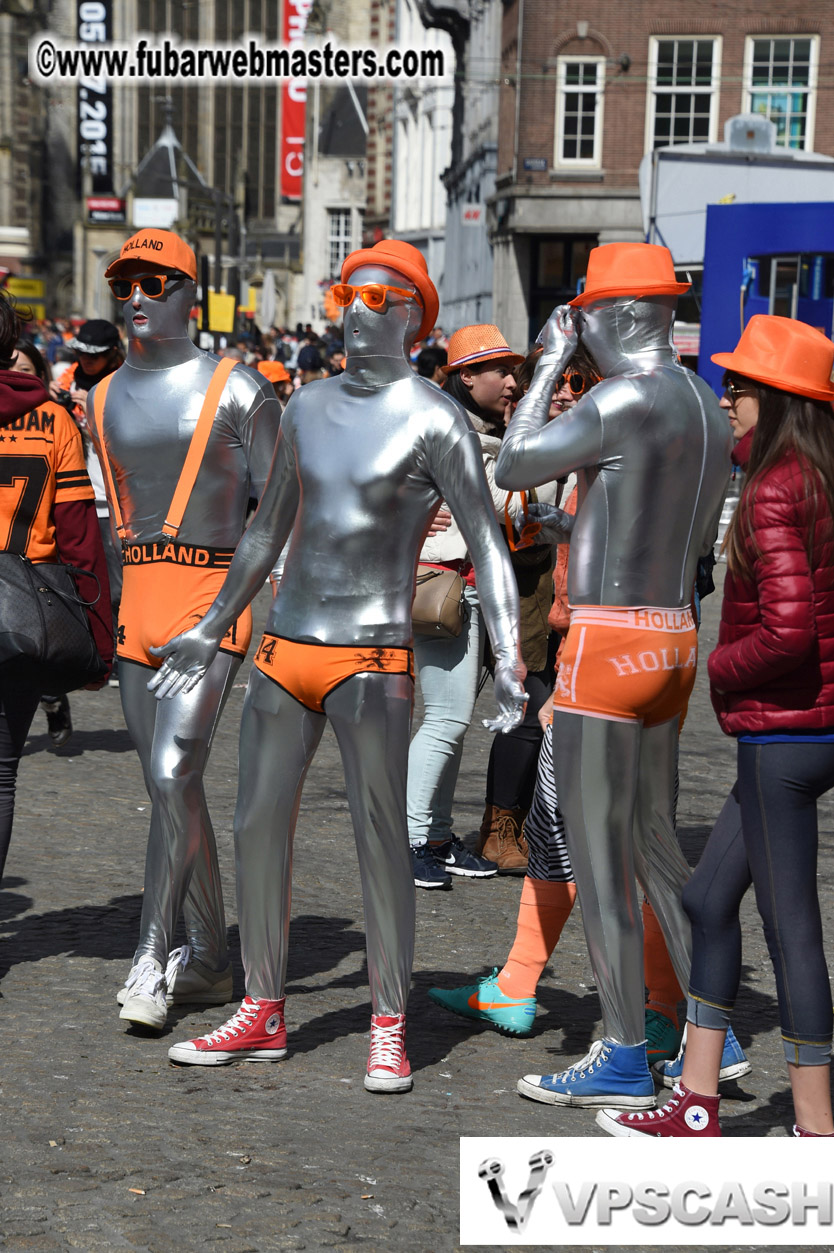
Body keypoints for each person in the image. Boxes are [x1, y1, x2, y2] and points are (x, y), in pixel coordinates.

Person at [149, 240, 526, 1091]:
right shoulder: (306, 406)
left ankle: (388, 1020)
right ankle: (262, 1004)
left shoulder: (434, 417)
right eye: (345, 293)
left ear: (412, 315)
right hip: (285, 647)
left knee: (382, 836)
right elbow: (265, 530)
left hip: (372, 655)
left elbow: (489, 545)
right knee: (255, 824)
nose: (354, 308)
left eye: (375, 296)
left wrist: (509, 656)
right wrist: (210, 626)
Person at [495, 242, 731, 1109]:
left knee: (601, 863)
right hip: (672, 636)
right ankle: (714, 1035)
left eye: (584, 314)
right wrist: (576, 531)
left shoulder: (622, 395)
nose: (578, 328)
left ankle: (626, 1051)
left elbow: (513, 462)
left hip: (608, 641)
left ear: (621, 314)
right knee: (658, 850)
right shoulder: (704, 404)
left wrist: (548, 359)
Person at [599, 315, 834, 1138]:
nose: (726, 399)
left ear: (780, 401)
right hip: (807, 728)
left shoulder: (774, 488)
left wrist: (720, 668)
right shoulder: (818, 478)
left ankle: (814, 1126)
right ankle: (696, 1098)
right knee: (705, 898)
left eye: (740, 388)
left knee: (791, 927)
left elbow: (789, 631)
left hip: (782, 733)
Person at [87, 228, 283, 1032]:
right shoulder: (100, 397)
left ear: (189, 293)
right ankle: (208, 957)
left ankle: (152, 954)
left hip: (212, 597)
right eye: (125, 282)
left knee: (172, 776)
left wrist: (233, 613)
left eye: (154, 281)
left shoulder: (242, 389)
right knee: (172, 787)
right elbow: (113, 520)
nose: (137, 296)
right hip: (140, 603)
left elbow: (279, 508)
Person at [0, 297, 112, 883]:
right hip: (21, 612)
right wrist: (99, 641)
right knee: (1, 773)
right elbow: (79, 541)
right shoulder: (54, 419)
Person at [408, 324, 524, 888]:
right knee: (447, 720)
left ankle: (436, 836)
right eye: (501, 371)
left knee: (449, 722)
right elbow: (511, 506)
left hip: (465, 589)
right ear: (467, 377)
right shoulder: (452, 436)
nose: (512, 382)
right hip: (445, 589)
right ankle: (409, 839)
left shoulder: (477, 435)